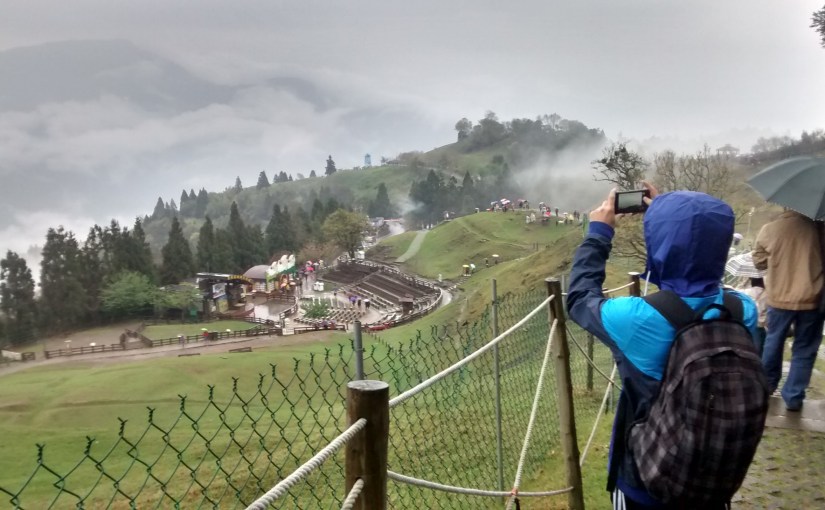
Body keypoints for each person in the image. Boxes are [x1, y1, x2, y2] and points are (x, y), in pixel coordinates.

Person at [567, 185, 758, 509]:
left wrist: (599, 232)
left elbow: (580, 297)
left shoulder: (635, 318)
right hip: (713, 483)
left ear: (660, 244)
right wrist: (679, 216)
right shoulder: (743, 311)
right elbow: (705, 277)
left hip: (645, 482)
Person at [752, 209, 825, 411]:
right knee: (805, 349)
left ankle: (766, 387)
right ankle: (793, 397)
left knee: (773, 342)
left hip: (779, 298)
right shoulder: (819, 228)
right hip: (812, 297)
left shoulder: (771, 229)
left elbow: (758, 261)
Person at [735, 276, 767, 355]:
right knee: (761, 349)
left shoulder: (749, 291)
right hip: (762, 325)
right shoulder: (767, 294)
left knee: (752, 348)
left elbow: (736, 291)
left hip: (751, 323)